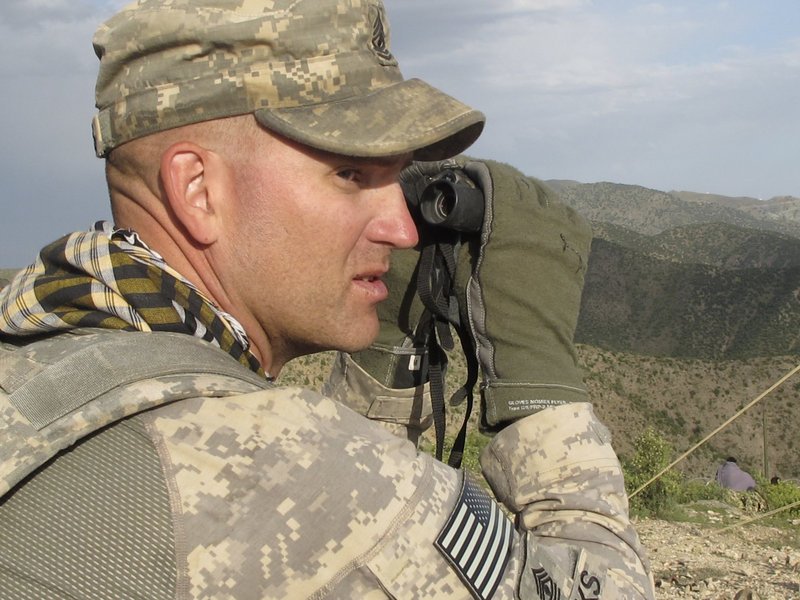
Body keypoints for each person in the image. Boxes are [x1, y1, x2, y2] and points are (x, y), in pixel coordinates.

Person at [0, 0, 654, 598]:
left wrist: (385, 349)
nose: (401, 229)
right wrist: (537, 373)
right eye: (350, 173)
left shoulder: (39, 336)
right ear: (198, 190)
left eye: (399, 180)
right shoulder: (278, 463)